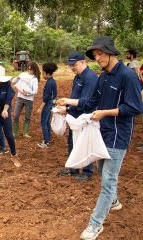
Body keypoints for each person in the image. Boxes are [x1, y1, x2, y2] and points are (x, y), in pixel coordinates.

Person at [56, 36, 143, 240]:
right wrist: (68, 107)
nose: (98, 58)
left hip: (118, 136)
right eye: (95, 55)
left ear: (111, 53)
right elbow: (91, 101)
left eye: (100, 54)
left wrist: (106, 113)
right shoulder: (103, 77)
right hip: (102, 132)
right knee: (102, 171)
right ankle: (114, 202)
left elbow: (135, 107)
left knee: (108, 180)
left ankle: (95, 224)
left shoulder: (127, 76)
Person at [56, 51, 99, 181]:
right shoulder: (78, 76)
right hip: (74, 116)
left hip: (84, 117)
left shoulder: (90, 78)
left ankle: (87, 171)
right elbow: (76, 98)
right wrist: (67, 109)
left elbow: (87, 102)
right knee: (72, 142)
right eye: (70, 65)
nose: (71, 67)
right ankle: (72, 168)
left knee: (84, 143)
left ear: (83, 62)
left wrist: (67, 103)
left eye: (73, 64)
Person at [11, 61, 40, 138]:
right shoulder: (22, 74)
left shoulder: (35, 79)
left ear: (34, 69)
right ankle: (14, 132)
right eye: (28, 69)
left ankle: (25, 132)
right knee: (16, 115)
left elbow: (35, 91)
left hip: (29, 100)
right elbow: (14, 82)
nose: (29, 71)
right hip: (20, 98)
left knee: (27, 116)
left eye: (31, 69)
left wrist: (27, 93)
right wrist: (16, 78)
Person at [37, 63, 58, 148]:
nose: (42, 75)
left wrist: (40, 108)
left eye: (43, 73)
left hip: (47, 104)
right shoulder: (53, 81)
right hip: (51, 103)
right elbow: (55, 94)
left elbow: (46, 97)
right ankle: (48, 140)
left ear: (47, 73)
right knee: (47, 122)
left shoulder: (49, 83)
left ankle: (45, 142)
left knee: (43, 123)